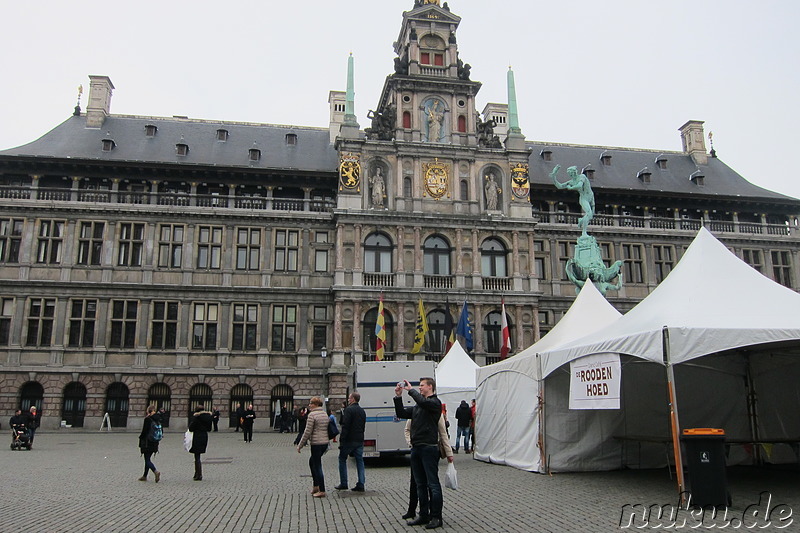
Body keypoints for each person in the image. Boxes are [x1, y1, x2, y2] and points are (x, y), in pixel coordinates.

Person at [394, 377, 452, 529]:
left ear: (430, 387)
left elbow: (423, 402)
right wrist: (398, 396)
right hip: (417, 448)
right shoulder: (418, 406)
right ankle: (423, 514)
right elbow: (401, 412)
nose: (419, 388)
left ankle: (436, 517)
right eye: (419, 386)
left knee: (433, 484)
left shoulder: (434, 403)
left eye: (422, 386)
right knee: (420, 484)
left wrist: (410, 390)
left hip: (429, 448)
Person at [402, 410, 453, 521]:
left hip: (431, 451)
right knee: (416, 483)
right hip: (417, 450)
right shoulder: (415, 411)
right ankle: (417, 511)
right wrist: (410, 443)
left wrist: (449, 453)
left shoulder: (435, 411)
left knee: (431, 484)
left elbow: (443, 433)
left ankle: (434, 514)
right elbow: (407, 429)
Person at [296, 396, 330, 498]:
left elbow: (307, 431)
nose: (309, 405)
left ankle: (322, 489)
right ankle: (316, 485)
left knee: (317, 465)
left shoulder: (312, 415)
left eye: (311, 403)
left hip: (316, 443)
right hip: (324, 443)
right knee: (312, 462)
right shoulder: (324, 414)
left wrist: (300, 445)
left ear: (315, 404)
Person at [550, 164, 595, 235]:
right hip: (583, 198)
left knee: (591, 215)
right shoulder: (571, 181)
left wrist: (571, 188)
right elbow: (559, 186)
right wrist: (553, 176)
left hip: (591, 196)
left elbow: (580, 185)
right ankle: (584, 232)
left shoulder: (582, 176)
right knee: (589, 214)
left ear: (574, 172)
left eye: (571, 173)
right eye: (569, 174)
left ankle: (581, 220)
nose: (570, 175)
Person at [335, 392, 366, 492]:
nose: (348, 400)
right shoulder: (362, 411)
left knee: (342, 459)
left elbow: (346, 426)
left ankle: (344, 483)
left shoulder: (348, 410)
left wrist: (342, 441)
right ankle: (361, 483)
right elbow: (363, 426)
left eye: (349, 398)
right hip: (359, 439)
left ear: (353, 399)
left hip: (349, 440)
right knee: (360, 461)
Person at [189, 405, 213, 481]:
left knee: (197, 456)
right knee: (198, 455)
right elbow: (209, 428)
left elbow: (191, 428)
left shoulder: (197, 417)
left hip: (197, 436)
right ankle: (198, 474)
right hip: (204, 436)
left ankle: (198, 474)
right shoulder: (208, 417)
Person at [137, 406, 161, 482]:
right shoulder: (157, 419)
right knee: (147, 458)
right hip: (155, 442)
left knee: (147, 459)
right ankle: (144, 476)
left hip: (147, 442)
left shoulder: (148, 419)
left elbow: (144, 431)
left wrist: (140, 438)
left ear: (148, 411)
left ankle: (155, 471)